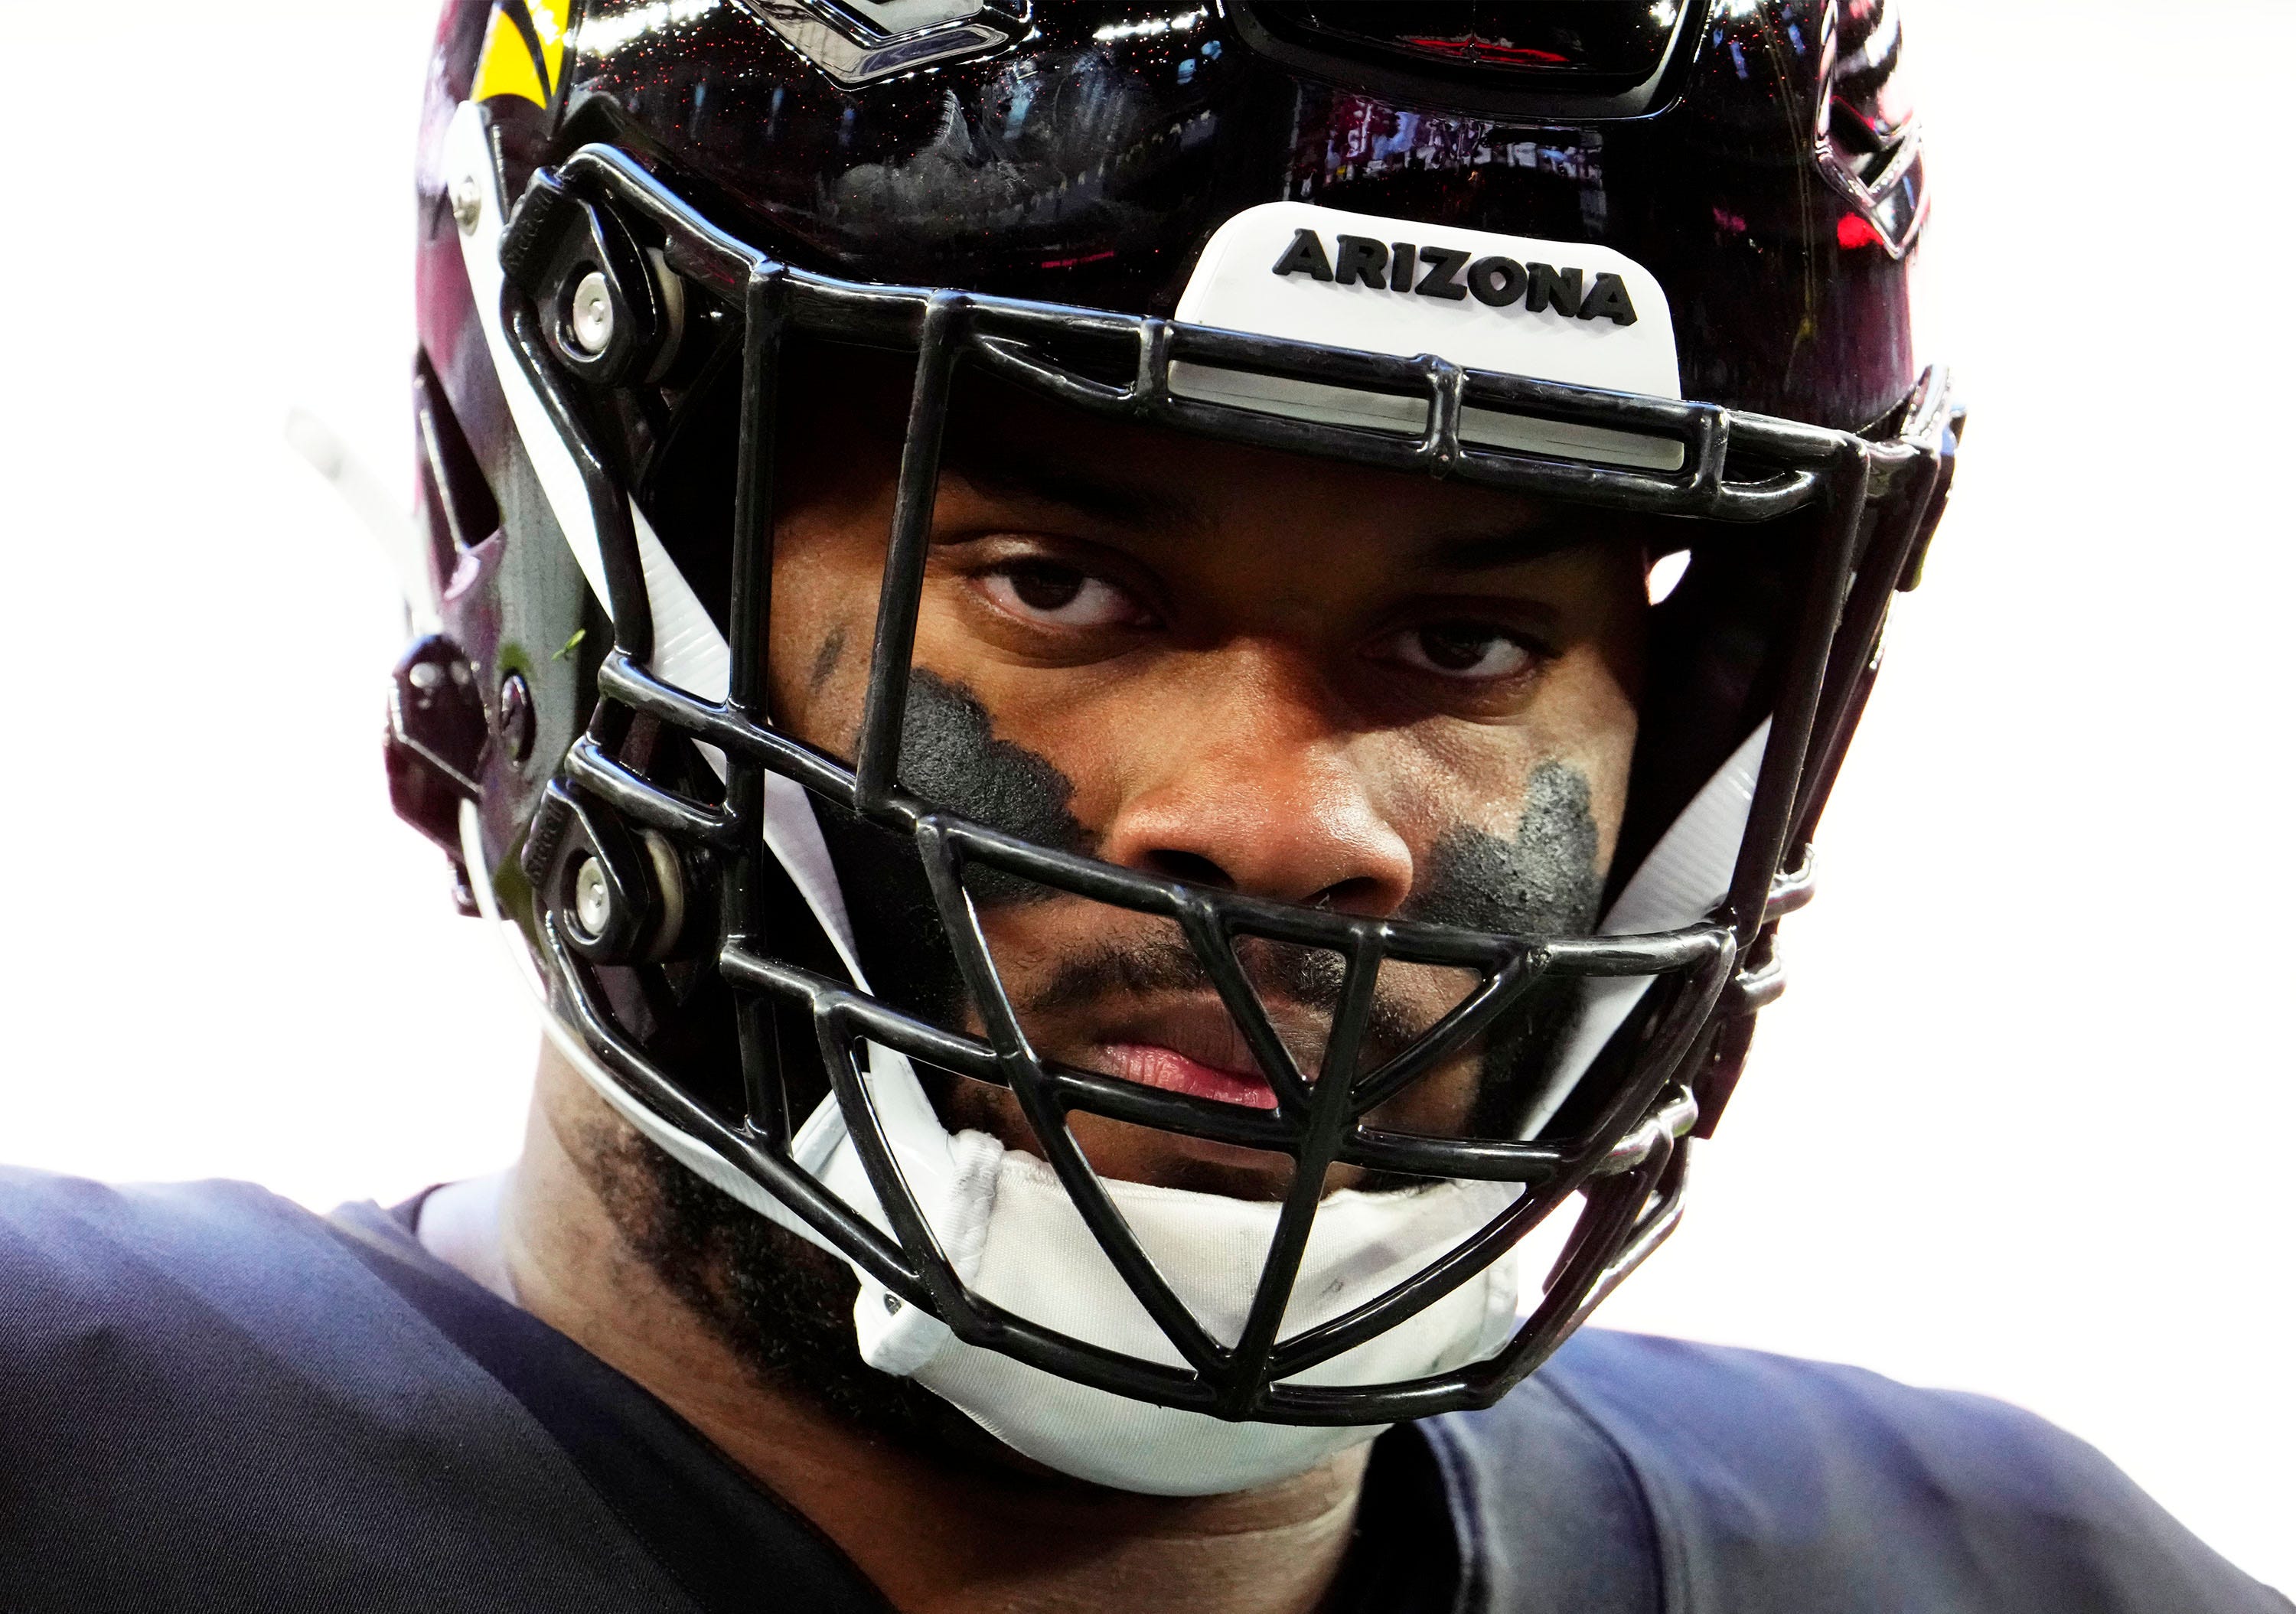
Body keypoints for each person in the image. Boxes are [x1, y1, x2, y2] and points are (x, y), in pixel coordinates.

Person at [0, 2, 2284, 1609]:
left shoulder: (2025, 1578)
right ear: (600, 582)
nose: (1289, 826)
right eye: (1059, 582)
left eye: (1467, 642)